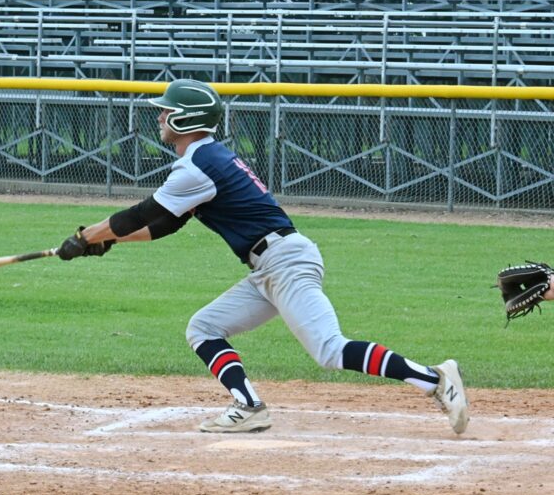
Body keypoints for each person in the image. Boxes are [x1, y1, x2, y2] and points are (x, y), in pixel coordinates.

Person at [57, 79, 470, 435]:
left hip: (284, 261)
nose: (160, 119)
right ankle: (249, 407)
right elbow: (166, 224)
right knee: (204, 328)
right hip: (269, 265)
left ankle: (433, 378)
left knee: (329, 350)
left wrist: (85, 236)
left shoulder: (196, 165)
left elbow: (141, 214)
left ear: (187, 119)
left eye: (166, 112)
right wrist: (110, 241)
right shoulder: (205, 158)